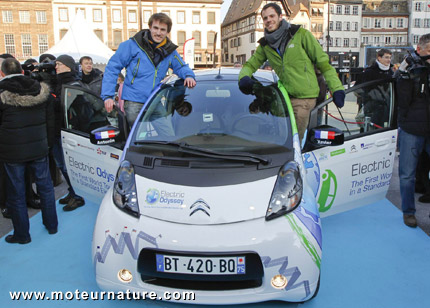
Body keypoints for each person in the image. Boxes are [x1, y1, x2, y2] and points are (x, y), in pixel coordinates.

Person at [238, 2, 344, 141]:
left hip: (305, 98)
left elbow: (324, 63)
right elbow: (250, 65)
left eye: (272, 16)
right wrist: (243, 78)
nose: (268, 20)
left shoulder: (300, 35)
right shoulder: (265, 45)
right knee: (279, 137)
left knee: (294, 141)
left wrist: (337, 89)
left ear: (280, 16)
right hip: (285, 97)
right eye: (265, 18)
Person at [101, 12, 196, 128]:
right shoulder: (132, 45)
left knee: (167, 135)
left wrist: (189, 75)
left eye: (162, 30)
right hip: (133, 101)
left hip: (155, 100)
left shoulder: (169, 51)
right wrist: (108, 96)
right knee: (137, 136)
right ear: (150, 27)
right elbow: (112, 68)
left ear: (167, 32)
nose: (158, 32)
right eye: (155, 28)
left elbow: (181, 66)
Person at [0, 58, 57, 243]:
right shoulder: (40, 90)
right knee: (46, 188)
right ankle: (52, 225)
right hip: (39, 147)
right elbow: (50, 120)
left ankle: (22, 235)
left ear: (2, 73)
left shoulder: (1, 92)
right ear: (22, 71)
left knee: (16, 193)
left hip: (12, 152)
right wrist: (47, 144)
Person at [396, 33, 430, 228]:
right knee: (407, 175)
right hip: (412, 129)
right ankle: (409, 212)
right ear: (420, 49)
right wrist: (405, 74)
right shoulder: (409, 69)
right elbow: (402, 100)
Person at [52, 54, 86, 211]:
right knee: (61, 165)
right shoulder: (58, 83)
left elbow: (77, 111)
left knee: (69, 167)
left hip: (68, 133)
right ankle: (72, 192)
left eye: (59, 64)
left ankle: (77, 195)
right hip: (57, 131)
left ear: (68, 66)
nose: (56, 67)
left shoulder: (74, 86)